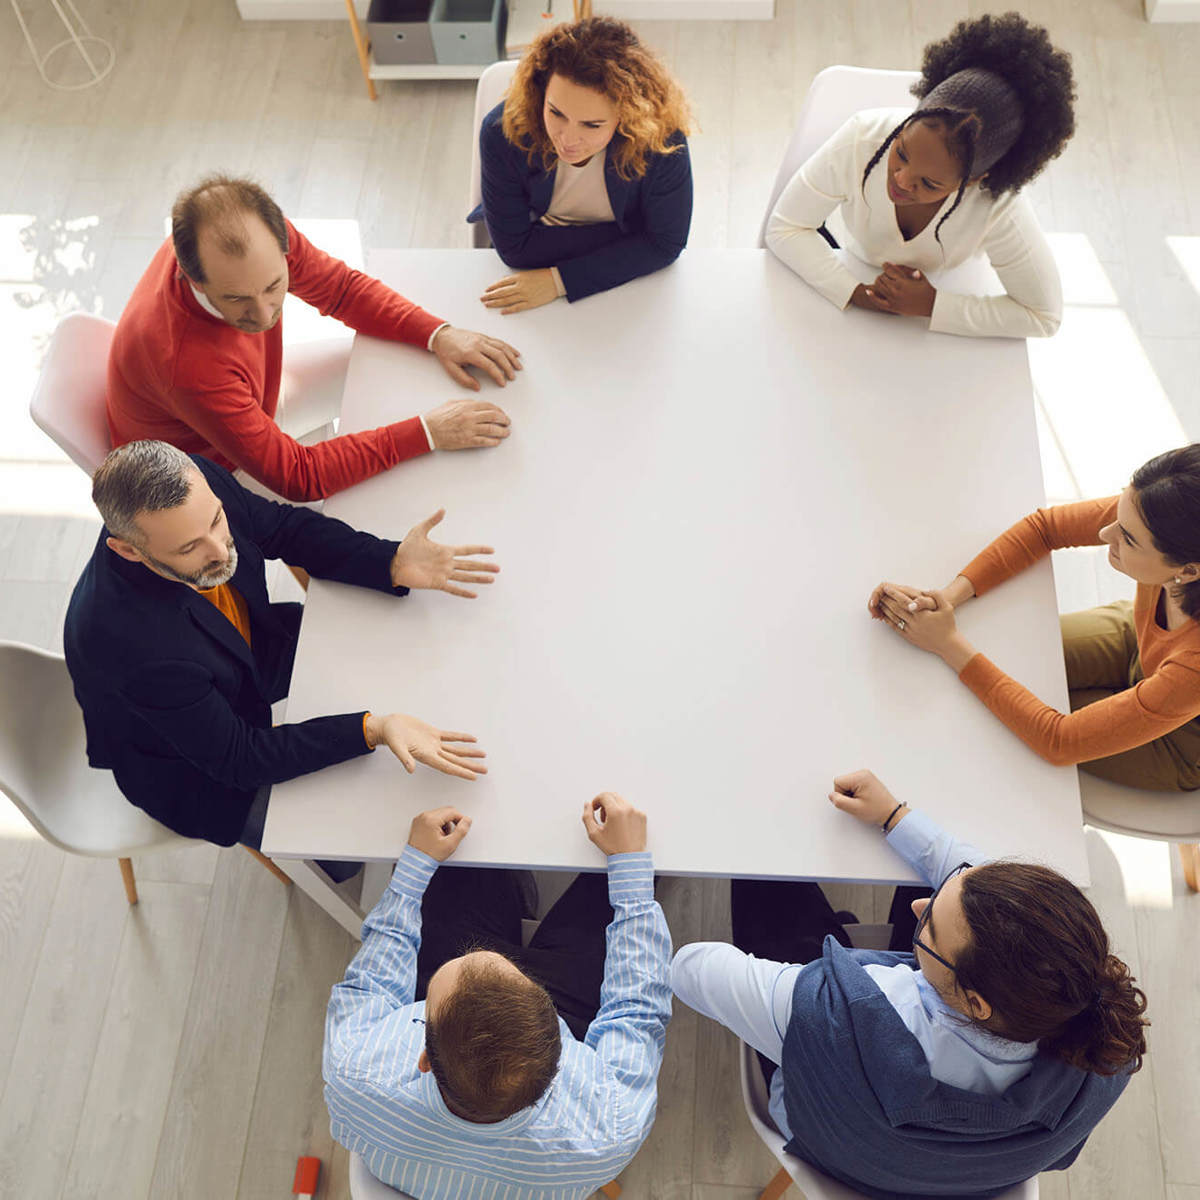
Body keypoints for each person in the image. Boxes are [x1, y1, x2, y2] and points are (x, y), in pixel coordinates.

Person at [673, 770, 1148, 1199]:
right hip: (955, 1173)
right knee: (929, 899)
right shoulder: (1104, 1044)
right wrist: (895, 817)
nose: (920, 908)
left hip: (826, 1122)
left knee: (766, 883)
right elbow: (979, 894)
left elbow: (692, 968)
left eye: (931, 929)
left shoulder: (833, 1014)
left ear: (977, 1001)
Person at [64, 440, 494, 852]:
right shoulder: (131, 646)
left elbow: (284, 529)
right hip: (193, 774)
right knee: (350, 837)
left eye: (216, 521)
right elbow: (240, 758)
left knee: (391, 644)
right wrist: (371, 729)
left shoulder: (193, 489)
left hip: (248, 648)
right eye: (190, 548)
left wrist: (390, 561)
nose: (221, 551)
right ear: (128, 550)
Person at [323, 792, 671, 1198]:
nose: (485, 955)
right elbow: (636, 1009)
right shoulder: (610, 1124)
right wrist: (630, 871)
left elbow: (374, 985)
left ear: (422, 1057)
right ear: (558, 1054)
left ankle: (510, 887)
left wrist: (413, 868)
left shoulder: (354, 1068)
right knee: (628, 870)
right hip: (570, 1009)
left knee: (459, 870)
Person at [108, 174, 522, 503]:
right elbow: (298, 477)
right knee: (356, 528)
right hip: (206, 470)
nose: (265, 313)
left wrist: (438, 334)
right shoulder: (187, 364)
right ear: (190, 274)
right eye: (237, 299)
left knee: (391, 362)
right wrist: (428, 433)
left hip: (250, 399)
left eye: (275, 286)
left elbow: (341, 290)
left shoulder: (253, 238)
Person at [870, 444, 1200, 790]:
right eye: (1118, 515)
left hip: (1177, 743)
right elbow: (1046, 528)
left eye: (1127, 540)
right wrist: (946, 597)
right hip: (1138, 639)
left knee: (998, 721)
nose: (1106, 534)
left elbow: (1060, 741)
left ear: (1188, 570)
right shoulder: (1154, 512)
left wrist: (947, 644)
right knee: (1005, 669)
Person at [766, 13, 1076, 338]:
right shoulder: (862, 137)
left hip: (951, 290)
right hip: (852, 279)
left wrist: (931, 305)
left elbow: (1044, 316)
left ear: (973, 181)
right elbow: (784, 227)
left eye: (929, 183)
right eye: (901, 152)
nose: (901, 179)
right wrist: (859, 293)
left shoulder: (998, 207)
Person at [471, 17, 693, 313]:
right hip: (533, 272)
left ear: (626, 116)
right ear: (541, 94)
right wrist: (636, 239)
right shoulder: (503, 131)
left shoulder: (660, 141)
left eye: (592, 125)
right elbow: (515, 250)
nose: (568, 139)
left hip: (617, 280)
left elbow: (666, 244)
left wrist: (559, 281)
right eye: (556, 113)